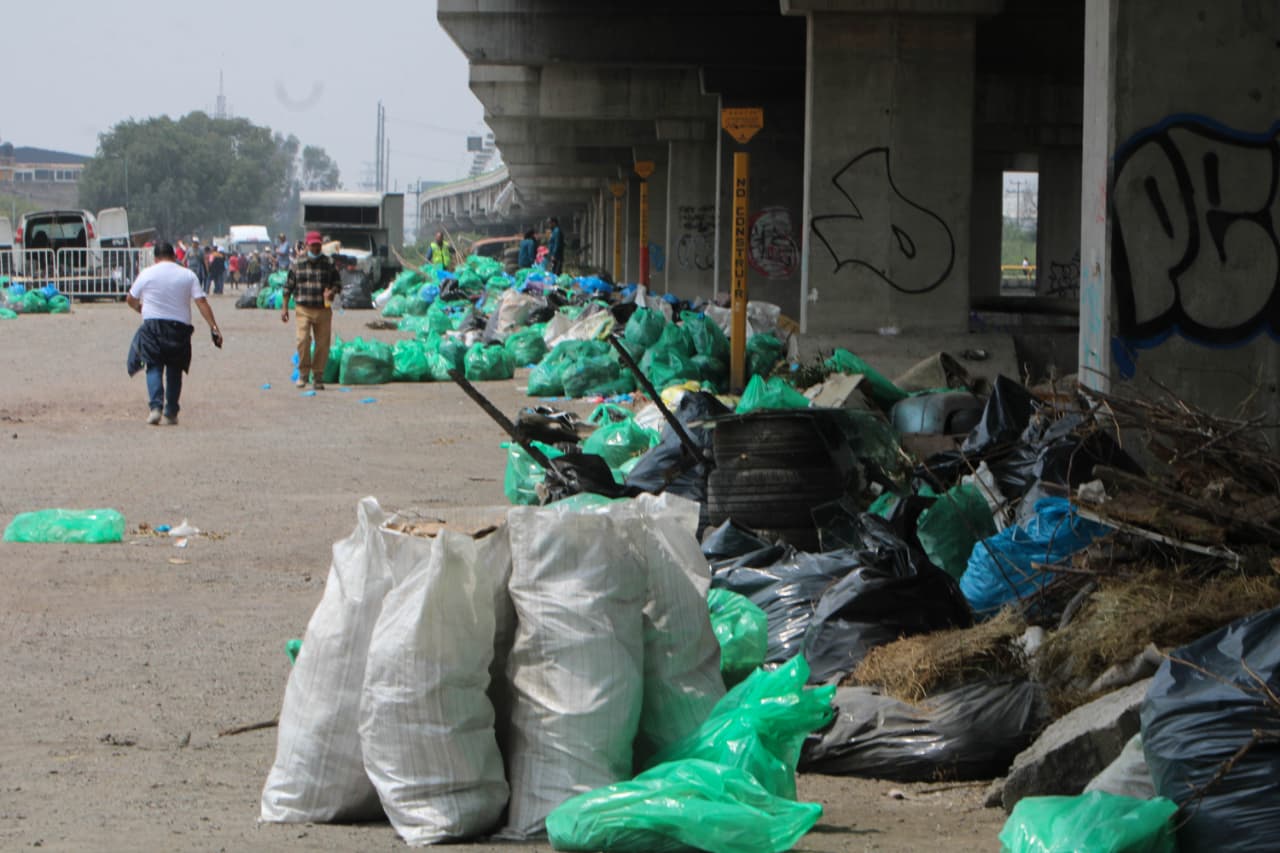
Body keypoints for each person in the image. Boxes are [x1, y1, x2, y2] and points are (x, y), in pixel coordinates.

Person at [125, 241, 222, 426]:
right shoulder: (187, 275)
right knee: (174, 369)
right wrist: (214, 327)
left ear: (155, 258)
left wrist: (142, 309)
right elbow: (201, 302)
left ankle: (155, 408)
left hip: (152, 325)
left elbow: (130, 298)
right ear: (175, 256)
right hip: (179, 328)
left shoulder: (147, 273)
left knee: (153, 366)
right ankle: (171, 412)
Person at [281, 231, 341, 390]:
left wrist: (332, 291)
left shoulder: (328, 263)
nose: (315, 248)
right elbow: (288, 287)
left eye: (318, 245)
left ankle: (318, 376)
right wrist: (285, 308)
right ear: (307, 245)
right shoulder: (297, 263)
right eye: (313, 245)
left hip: (323, 309)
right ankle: (303, 374)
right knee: (302, 341)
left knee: (323, 344)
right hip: (303, 309)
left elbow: (338, 283)